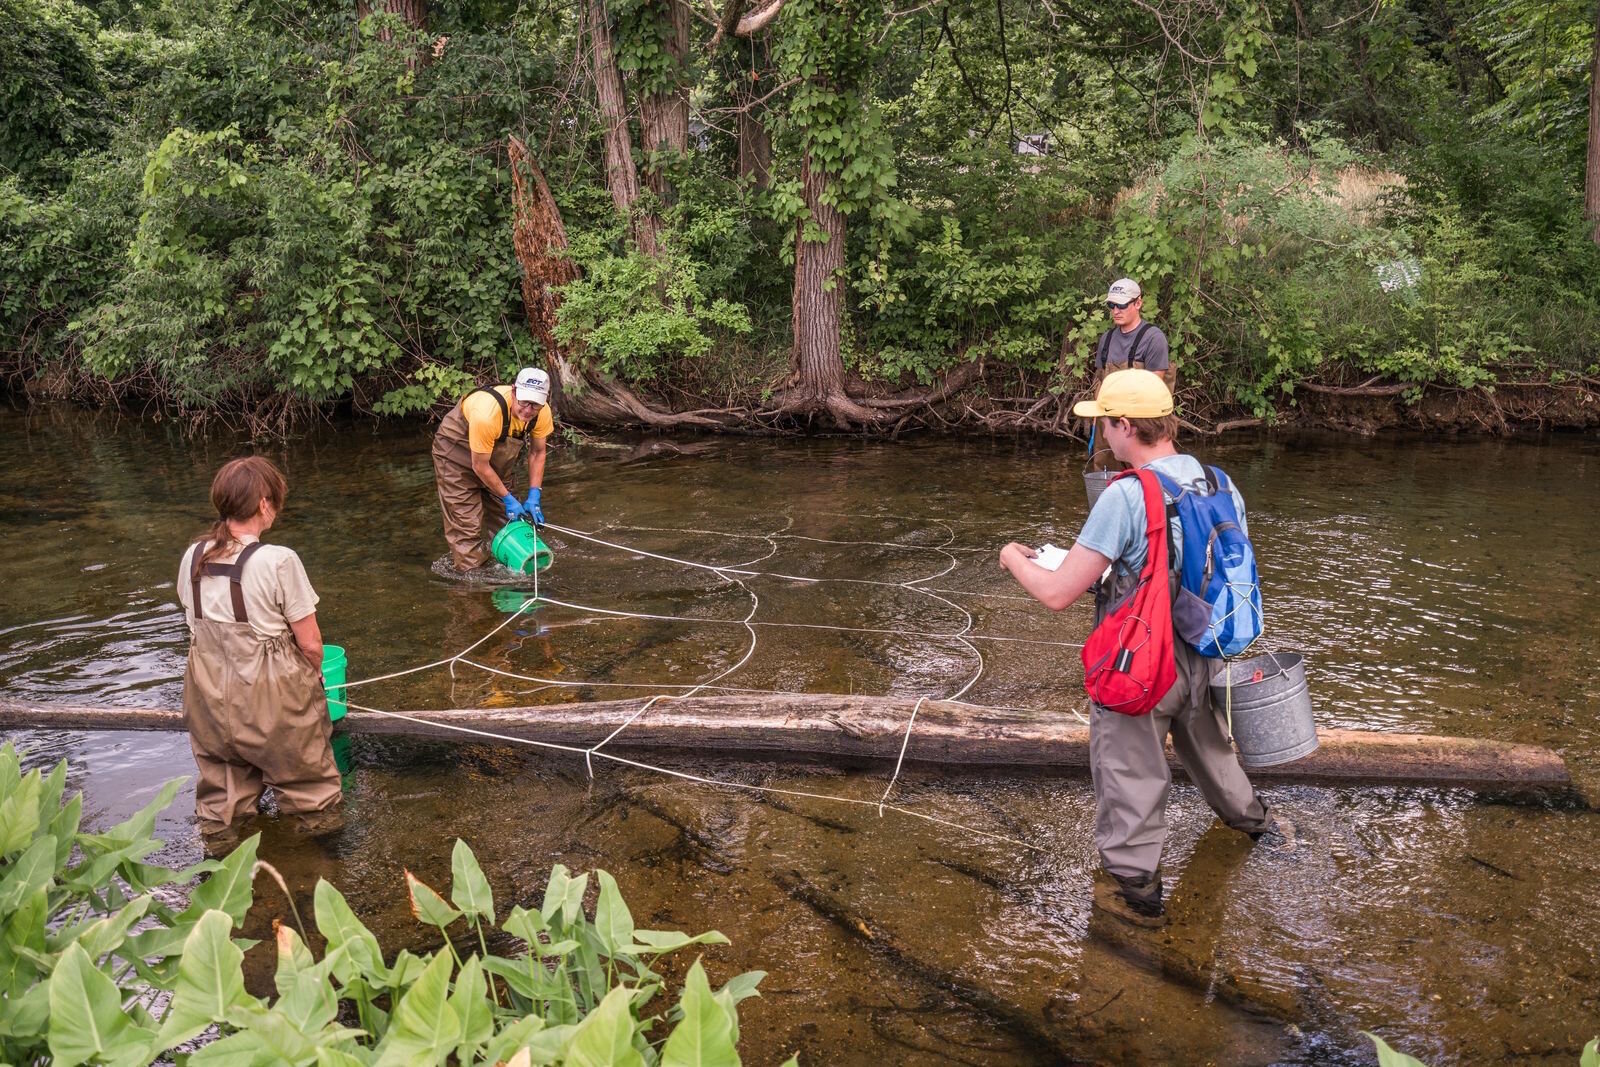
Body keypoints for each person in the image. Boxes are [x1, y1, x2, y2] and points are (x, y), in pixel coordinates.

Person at [999, 369, 1288, 927]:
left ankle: (1138, 900)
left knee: (1130, 774)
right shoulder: (1221, 483)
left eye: (1104, 424)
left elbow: (1059, 593)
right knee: (1210, 747)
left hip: (1142, 662)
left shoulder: (1126, 495)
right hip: (1205, 651)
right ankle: (1259, 827)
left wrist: (1014, 559)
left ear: (1126, 426)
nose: (1102, 436)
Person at [178, 456, 341, 831]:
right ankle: (308, 874)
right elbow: (311, 643)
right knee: (310, 794)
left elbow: (195, 626)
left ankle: (223, 871)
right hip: (271, 696)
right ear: (265, 504)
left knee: (222, 802)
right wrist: (311, 680)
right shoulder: (279, 560)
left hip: (207, 692)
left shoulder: (192, 556)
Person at [431, 367, 554, 573]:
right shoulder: (487, 414)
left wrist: (535, 494)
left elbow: (537, 453)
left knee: (510, 522)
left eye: (535, 405)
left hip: (492, 459)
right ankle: (473, 589)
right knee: (466, 526)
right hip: (455, 454)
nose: (527, 411)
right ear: (514, 391)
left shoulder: (542, 414)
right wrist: (508, 498)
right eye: (524, 402)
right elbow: (479, 466)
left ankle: (517, 572)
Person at [1085, 278, 1172, 473]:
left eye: (1122, 305)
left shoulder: (1154, 338)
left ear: (1138, 303)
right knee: (1105, 478)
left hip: (1142, 424)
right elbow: (1100, 383)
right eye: (1111, 305)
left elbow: (1154, 386)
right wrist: (1094, 425)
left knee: (1146, 481)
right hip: (1108, 424)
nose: (1116, 310)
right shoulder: (1105, 339)